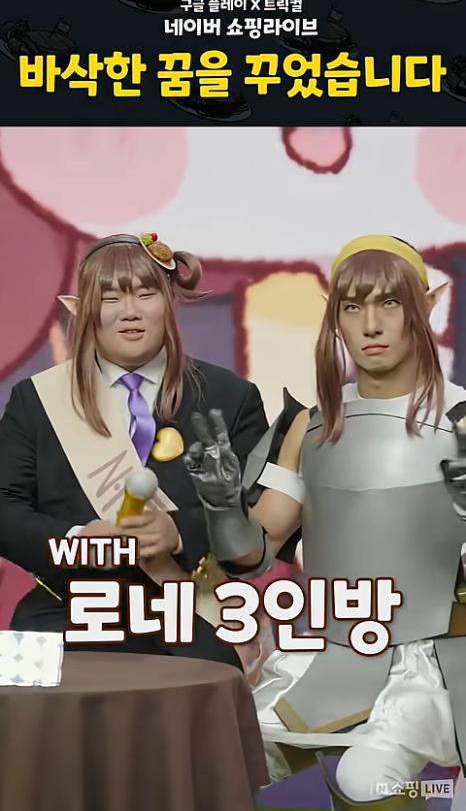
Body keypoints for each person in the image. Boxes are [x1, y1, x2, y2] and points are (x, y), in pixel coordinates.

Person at [184, 234, 466, 805]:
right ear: (333, 315)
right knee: (215, 757)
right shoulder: (310, 427)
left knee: (368, 781)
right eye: (353, 306)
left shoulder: (460, 419)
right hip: (333, 652)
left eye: (390, 303)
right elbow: (252, 551)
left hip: (437, 660)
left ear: (427, 305)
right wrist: (221, 505)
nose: (371, 325)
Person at [0, 232, 268, 671]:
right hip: (64, 613)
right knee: (23, 698)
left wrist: (178, 532)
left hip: (190, 617)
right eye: (110, 298)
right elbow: (4, 509)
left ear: (169, 302)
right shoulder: (37, 400)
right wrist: (76, 541)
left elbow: (259, 513)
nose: (130, 312)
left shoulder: (231, 397)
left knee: (213, 697)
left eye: (146, 294)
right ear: (84, 309)